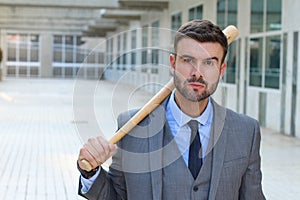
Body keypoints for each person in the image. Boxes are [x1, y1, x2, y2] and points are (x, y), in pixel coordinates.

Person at [77, 19, 265, 200]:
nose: (197, 73)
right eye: (188, 60)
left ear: (221, 70)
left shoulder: (246, 131)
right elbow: (117, 196)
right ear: (173, 64)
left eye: (209, 62)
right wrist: (91, 173)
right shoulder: (132, 127)